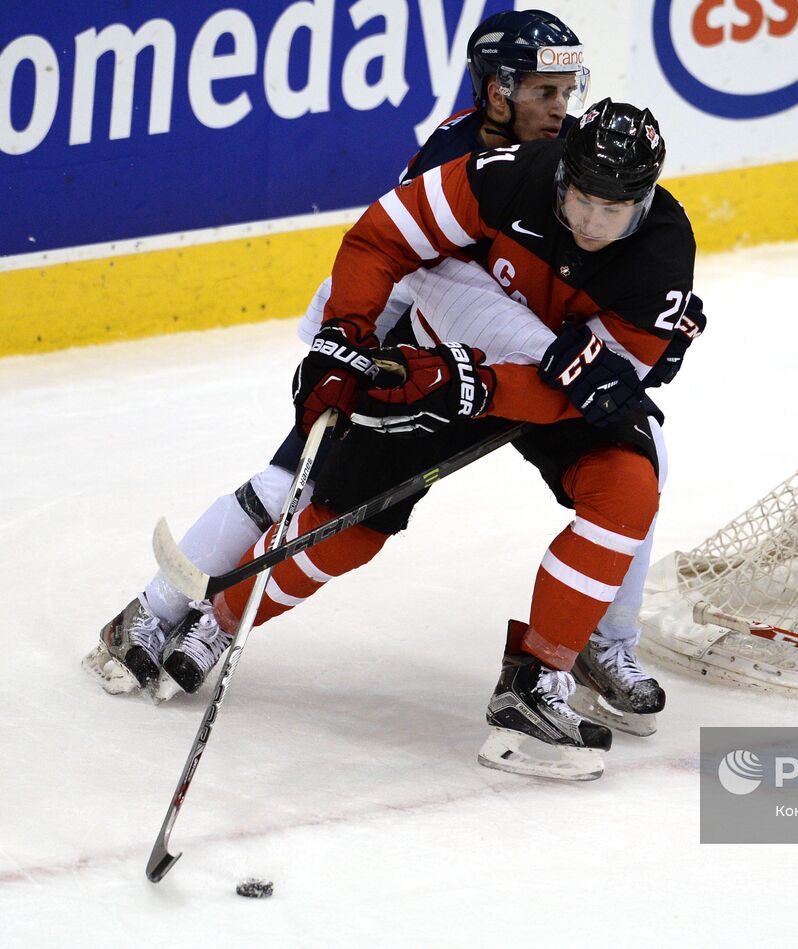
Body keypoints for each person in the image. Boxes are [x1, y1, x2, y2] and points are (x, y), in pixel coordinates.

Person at [85, 12, 696, 729]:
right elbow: (418, 270)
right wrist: (547, 351)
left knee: (640, 459)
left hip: (500, 362)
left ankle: (604, 640)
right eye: (543, 90)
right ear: (499, 91)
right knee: (299, 484)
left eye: (568, 88)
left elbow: (604, 268)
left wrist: (653, 322)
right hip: (395, 331)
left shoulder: (568, 158)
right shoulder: (457, 158)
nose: (562, 108)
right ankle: (157, 612)